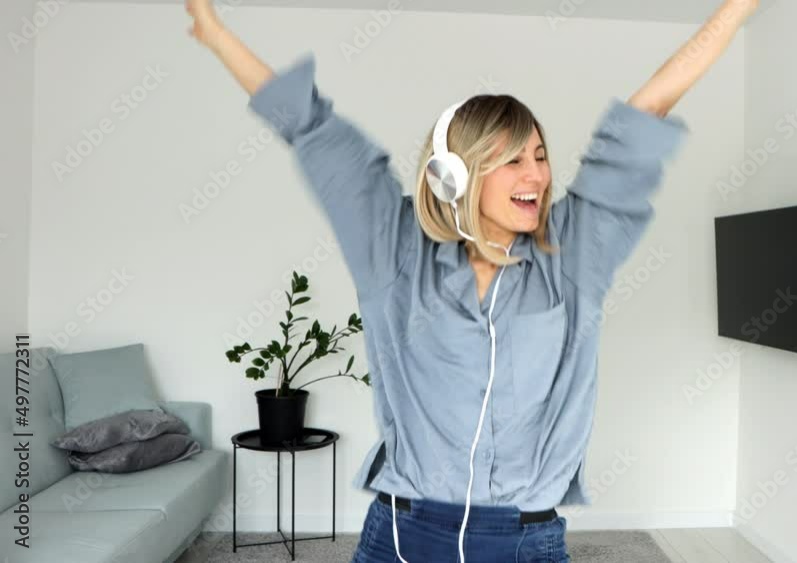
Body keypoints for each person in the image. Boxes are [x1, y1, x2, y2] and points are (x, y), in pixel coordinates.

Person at [186, 0, 757, 561]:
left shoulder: (573, 253)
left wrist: (735, 9)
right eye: (514, 160)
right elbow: (312, 127)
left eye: (540, 156)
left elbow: (646, 112)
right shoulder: (391, 248)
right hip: (400, 534)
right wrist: (215, 33)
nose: (537, 175)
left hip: (524, 539)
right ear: (455, 175)